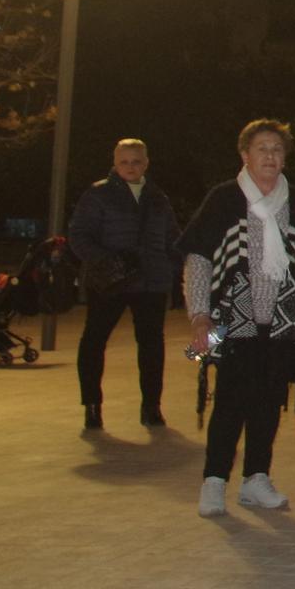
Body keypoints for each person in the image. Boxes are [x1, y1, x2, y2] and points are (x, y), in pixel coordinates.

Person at [181, 119, 295, 517]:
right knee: (230, 400)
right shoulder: (225, 199)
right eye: (262, 149)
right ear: (245, 155)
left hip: (285, 322)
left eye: (277, 149)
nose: (270, 156)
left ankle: (256, 479)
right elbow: (198, 259)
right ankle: (214, 481)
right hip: (236, 317)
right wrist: (199, 315)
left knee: (268, 401)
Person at [69, 137, 182, 431]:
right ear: (115, 163)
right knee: (94, 341)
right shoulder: (98, 195)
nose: (130, 167)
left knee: (152, 346)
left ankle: (151, 406)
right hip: (110, 281)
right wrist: (106, 261)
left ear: (146, 163)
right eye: (124, 162)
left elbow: (172, 238)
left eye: (136, 161)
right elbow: (79, 235)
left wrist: (173, 268)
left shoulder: (158, 197)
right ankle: (92, 407)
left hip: (151, 282)